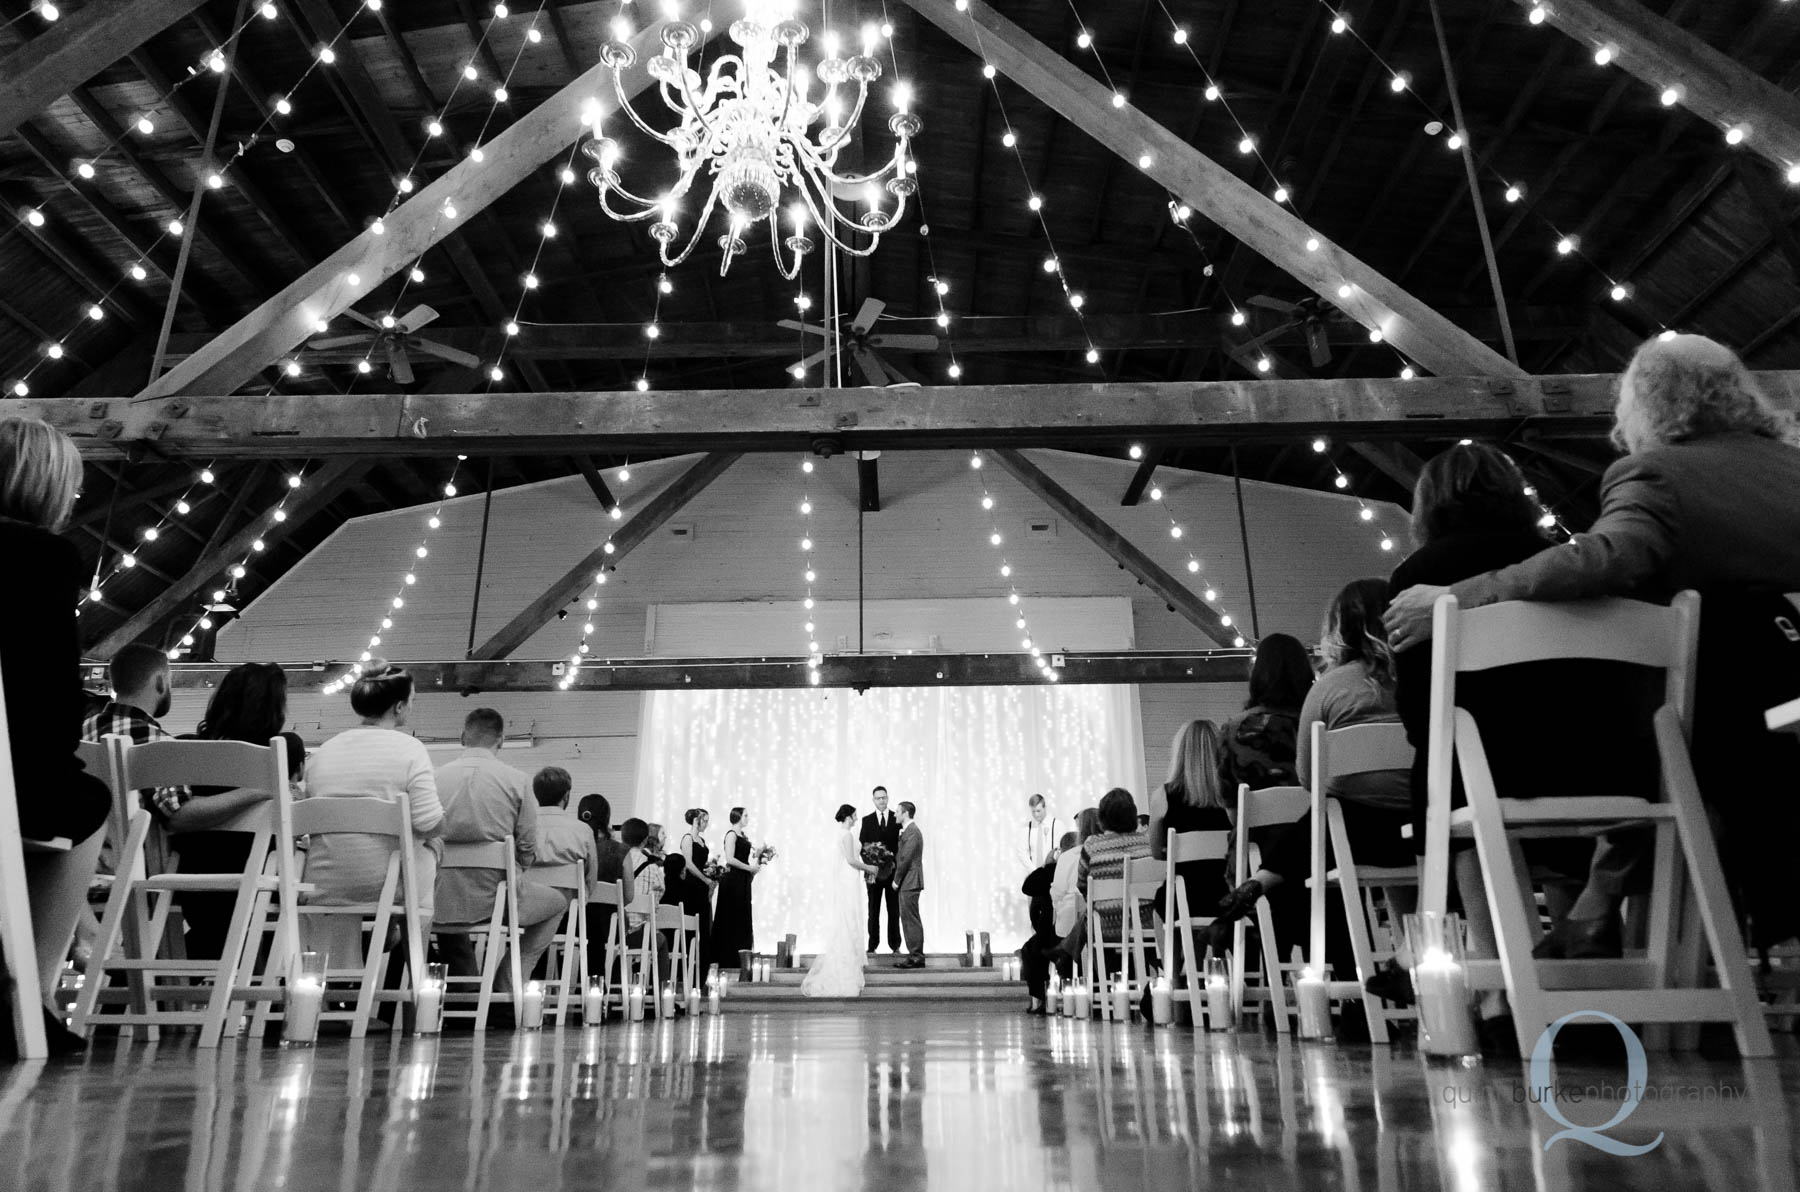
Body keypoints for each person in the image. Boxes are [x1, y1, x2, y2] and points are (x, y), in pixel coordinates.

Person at [1383, 336, 1800, 947]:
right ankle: (1607, 910)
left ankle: (1612, 935)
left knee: (1661, 740)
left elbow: (1609, 557)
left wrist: (1460, 597)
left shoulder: (1657, 473)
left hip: (1738, 716)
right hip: (1782, 713)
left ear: (1647, 404)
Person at [1383, 442, 1642, 1011]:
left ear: (1428, 505)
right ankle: (1591, 986)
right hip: (1593, 765)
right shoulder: (1559, 561)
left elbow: (1419, 707)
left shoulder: (1418, 576)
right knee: (1536, 753)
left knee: (1454, 767)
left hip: (1485, 773)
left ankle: (1502, 989)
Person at [1207, 581, 1413, 954]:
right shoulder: (1421, 677)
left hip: (1335, 840)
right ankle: (1401, 953)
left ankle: (1262, 880)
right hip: (1424, 827)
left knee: (1331, 811)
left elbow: (1308, 780)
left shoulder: (1326, 692)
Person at [0, 417, 109, 1051]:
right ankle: (32, 994)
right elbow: (47, 696)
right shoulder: (45, 558)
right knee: (85, 799)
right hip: (8, 775)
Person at [300, 663, 444, 969]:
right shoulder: (411, 750)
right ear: (400, 706)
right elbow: (429, 823)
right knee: (432, 848)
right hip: (388, 882)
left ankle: (328, 984)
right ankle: (415, 980)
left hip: (325, 881)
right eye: (412, 701)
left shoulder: (323, 752)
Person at [167, 662, 307, 961]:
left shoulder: (182, 749)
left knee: (217, 934)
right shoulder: (283, 748)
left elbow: (176, 817)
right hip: (254, 877)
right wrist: (260, 792)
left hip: (189, 879)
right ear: (274, 707)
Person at [431, 708, 551, 987]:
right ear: (502, 740)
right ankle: (504, 985)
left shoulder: (435, 778)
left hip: (439, 896)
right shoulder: (517, 780)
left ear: (462, 737)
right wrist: (519, 867)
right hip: (496, 896)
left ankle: (466, 989)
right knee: (557, 904)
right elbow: (527, 843)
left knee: (450, 909)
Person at [1147, 720, 1233, 945]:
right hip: (1228, 894)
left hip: (1184, 894)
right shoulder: (1233, 796)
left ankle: (1174, 973)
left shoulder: (1163, 796)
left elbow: (1156, 852)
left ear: (1181, 752)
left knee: (1163, 904)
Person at [1218, 633, 1314, 793]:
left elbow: (1230, 804)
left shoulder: (1232, 729)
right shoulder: (1315, 725)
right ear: (1303, 673)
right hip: (1312, 816)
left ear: (1257, 674)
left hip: (1252, 817)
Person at [801, 804, 880, 997]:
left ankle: (849, 959)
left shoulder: (840, 834)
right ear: (847, 817)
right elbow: (851, 860)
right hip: (848, 879)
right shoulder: (846, 835)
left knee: (848, 918)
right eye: (854, 815)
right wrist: (870, 868)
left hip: (848, 878)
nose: (856, 818)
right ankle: (846, 964)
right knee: (848, 918)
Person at [525, 767, 596, 980]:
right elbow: (591, 878)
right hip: (568, 916)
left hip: (522, 912)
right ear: (566, 795)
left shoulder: (523, 825)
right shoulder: (582, 830)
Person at [1075, 789, 1152, 962]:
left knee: (1088, 919)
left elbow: (1082, 885)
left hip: (1106, 924)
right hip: (1146, 921)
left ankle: (1107, 978)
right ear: (1133, 815)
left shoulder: (1092, 846)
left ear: (1102, 818)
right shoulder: (1147, 844)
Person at [577, 794, 632, 976]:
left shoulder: (575, 845)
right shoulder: (621, 850)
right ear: (607, 817)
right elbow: (628, 896)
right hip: (611, 926)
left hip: (576, 924)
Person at [711, 806, 760, 970]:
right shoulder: (731, 835)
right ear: (738, 817)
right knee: (731, 917)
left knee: (742, 917)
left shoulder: (743, 836)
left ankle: (740, 957)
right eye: (746, 815)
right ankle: (728, 957)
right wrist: (748, 868)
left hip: (741, 880)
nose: (748, 818)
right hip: (733, 880)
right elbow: (730, 859)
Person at [860, 786, 902, 954]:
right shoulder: (866, 820)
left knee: (894, 911)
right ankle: (872, 946)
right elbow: (863, 848)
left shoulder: (896, 818)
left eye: (884, 797)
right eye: (878, 798)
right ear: (873, 800)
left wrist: (893, 864)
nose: (881, 801)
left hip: (893, 873)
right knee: (873, 910)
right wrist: (873, 866)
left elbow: (901, 846)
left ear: (888, 798)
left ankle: (895, 946)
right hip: (873, 874)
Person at [676, 809, 718, 974]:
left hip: (702, 884)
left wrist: (711, 876)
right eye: (704, 821)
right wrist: (705, 878)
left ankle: (704, 962)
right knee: (694, 921)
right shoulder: (687, 838)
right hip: (692, 885)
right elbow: (688, 863)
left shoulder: (701, 840)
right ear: (696, 820)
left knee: (705, 923)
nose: (706, 824)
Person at [893, 801, 926, 968]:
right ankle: (914, 954)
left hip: (910, 881)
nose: (895, 814)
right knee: (907, 918)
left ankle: (917, 956)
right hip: (909, 881)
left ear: (905, 813)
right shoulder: (909, 831)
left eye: (897, 811)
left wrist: (896, 880)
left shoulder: (912, 832)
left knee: (910, 919)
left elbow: (905, 859)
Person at [620, 819, 663, 941]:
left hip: (614, 929)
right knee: (661, 940)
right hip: (638, 932)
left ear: (622, 838)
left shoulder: (615, 862)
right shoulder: (653, 869)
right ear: (645, 841)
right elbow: (656, 904)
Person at [1020, 794, 1063, 875]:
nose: (1036, 814)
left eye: (1038, 811)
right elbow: (1022, 852)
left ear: (1045, 807)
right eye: (1033, 811)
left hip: (1053, 874)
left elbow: (1062, 851)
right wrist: (1034, 871)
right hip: (1033, 874)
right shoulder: (1027, 828)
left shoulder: (1057, 825)